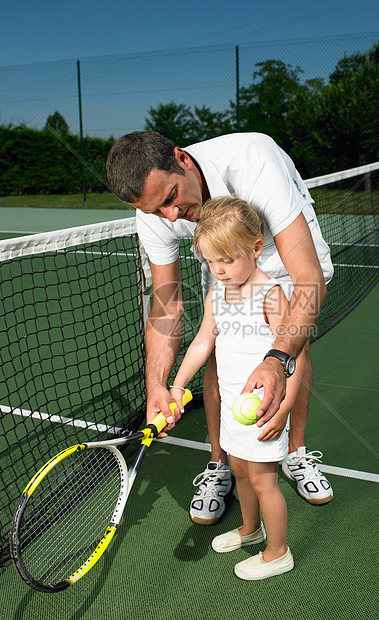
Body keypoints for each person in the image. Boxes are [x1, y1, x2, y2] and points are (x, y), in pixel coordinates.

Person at [106, 131, 334, 525]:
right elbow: (166, 307)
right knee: (218, 351)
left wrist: (278, 359)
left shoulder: (253, 161)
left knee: (296, 345)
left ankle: (294, 452)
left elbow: (308, 280)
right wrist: (158, 386)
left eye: (171, 197)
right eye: (156, 211)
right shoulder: (155, 213)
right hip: (222, 253)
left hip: (282, 244)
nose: (171, 217)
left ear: (182, 159)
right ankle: (219, 463)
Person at [169, 196, 299, 580]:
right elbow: (202, 343)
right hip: (231, 408)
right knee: (240, 472)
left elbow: (296, 357)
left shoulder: (271, 295)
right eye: (210, 262)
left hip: (264, 411)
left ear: (256, 248)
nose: (218, 270)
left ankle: (278, 552)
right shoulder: (217, 293)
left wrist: (285, 407)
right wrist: (177, 385)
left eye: (226, 260)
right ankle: (250, 529)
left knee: (263, 480)